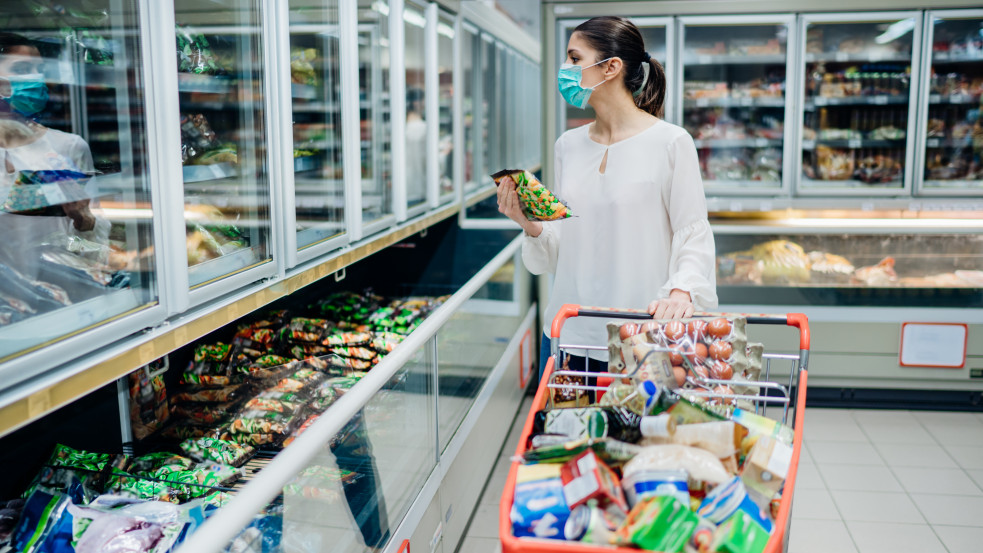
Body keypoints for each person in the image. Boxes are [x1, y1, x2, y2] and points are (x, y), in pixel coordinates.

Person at [496, 16, 718, 381]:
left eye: (573, 58)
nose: (564, 69)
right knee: (570, 438)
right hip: (571, 334)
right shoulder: (568, 145)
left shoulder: (671, 143)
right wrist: (527, 221)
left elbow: (692, 231)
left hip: (642, 338)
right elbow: (563, 245)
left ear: (611, 67)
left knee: (635, 436)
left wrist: (682, 291)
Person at [0, 32, 110, 298]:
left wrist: (83, 219)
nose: (36, 79)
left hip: (61, 294)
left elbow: (95, 253)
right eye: (22, 70)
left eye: (39, 70)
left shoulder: (68, 147)